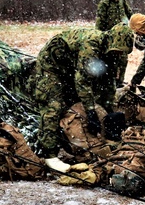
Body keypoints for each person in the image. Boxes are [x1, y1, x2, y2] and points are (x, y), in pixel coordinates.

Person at [31, 23, 134, 172]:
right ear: (111, 42)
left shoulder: (113, 52)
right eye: (117, 51)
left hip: (71, 67)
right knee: (54, 105)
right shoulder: (91, 45)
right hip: (52, 65)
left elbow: (108, 83)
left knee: (78, 102)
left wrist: (108, 110)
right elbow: (82, 81)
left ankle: (63, 137)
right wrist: (91, 112)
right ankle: (49, 153)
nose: (119, 54)